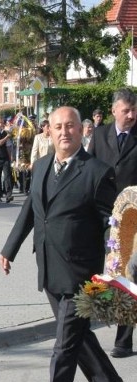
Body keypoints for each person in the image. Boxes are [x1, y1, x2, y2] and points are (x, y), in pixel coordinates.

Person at [0, 106, 128, 382]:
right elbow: (31, 209)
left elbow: (109, 225)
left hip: (81, 274)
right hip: (49, 266)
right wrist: (9, 249)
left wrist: (114, 268)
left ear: (81, 130)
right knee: (79, 337)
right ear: (49, 130)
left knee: (65, 344)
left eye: (70, 126)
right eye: (57, 126)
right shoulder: (42, 165)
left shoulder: (97, 172)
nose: (64, 132)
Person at [88, 88, 137, 358]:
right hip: (103, 215)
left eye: (134, 110)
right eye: (126, 110)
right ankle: (90, 318)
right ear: (114, 111)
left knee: (128, 272)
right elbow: (87, 168)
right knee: (104, 269)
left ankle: (123, 340)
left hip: (133, 218)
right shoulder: (99, 135)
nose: (131, 116)